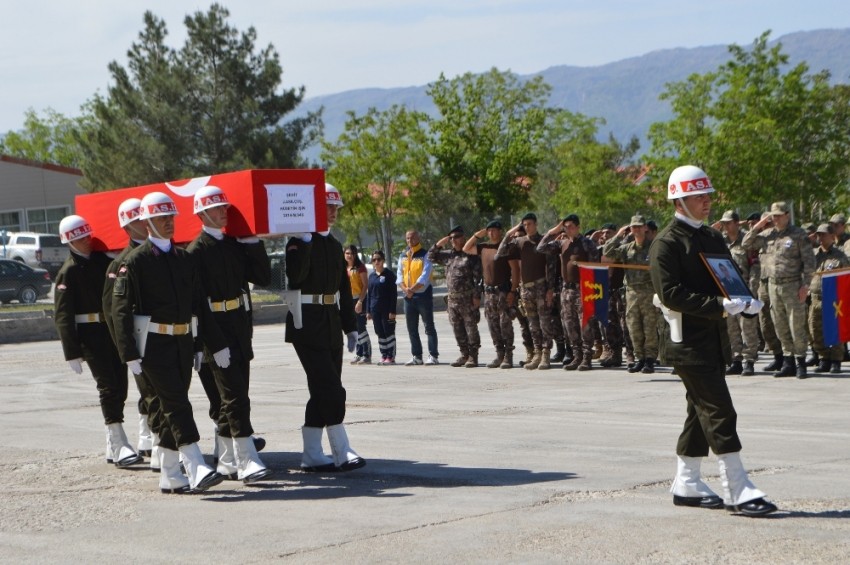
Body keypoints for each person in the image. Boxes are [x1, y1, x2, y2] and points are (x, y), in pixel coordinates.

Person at [650, 164, 776, 517]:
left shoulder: (711, 237)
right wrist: (719, 306)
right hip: (685, 342)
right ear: (679, 200)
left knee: (699, 411)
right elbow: (671, 293)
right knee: (720, 410)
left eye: (707, 195)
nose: (707, 202)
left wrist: (747, 302)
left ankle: (687, 482)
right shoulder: (666, 243)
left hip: (712, 339)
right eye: (698, 196)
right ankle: (738, 487)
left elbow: (728, 278)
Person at [112, 192, 225, 494]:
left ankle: (171, 474)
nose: (169, 222)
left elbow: (196, 304)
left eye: (171, 217)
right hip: (153, 346)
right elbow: (120, 309)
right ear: (147, 222)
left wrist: (199, 345)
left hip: (182, 342)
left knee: (166, 410)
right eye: (162, 218)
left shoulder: (184, 259)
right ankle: (196, 464)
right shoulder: (134, 262)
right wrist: (129, 353)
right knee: (177, 404)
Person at [186, 186, 272, 483]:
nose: (224, 211)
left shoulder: (234, 245)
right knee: (234, 397)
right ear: (201, 213)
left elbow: (262, 277)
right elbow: (196, 303)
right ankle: (247, 459)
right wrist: (213, 343)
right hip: (216, 333)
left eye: (224, 207)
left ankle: (225, 461)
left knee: (232, 398)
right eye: (217, 208)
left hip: (237, 327)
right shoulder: (195, 252)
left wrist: (252, 243)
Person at [285, 183, 365, 472]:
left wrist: (350, 326)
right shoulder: (298, 241)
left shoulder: (333, 245)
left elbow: (343, 289)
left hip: (330, 321)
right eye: (326, 206)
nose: (332, 212)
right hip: (306, 322)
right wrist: (304, 242)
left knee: (321, 390)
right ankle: (341, 450)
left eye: (335, 207)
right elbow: (295, 277)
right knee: (331, 388)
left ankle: (312, 454)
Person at [54, 214, 142, 469]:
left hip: (111, 331)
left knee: (121, 386)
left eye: (86, 235)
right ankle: (118, 440)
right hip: (90, 336)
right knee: (108, 387)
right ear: (68, 242)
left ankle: (112, 442)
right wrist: (71, 351)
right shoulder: (68, 271)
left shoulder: (104, 261)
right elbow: (63, 315)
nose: (85, 241)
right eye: (79, 238)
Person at [102, 198, 157, 467]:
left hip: (159, 333)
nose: (144, 224)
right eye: (138, 220)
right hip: (138, 336)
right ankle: (158, 445)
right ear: (127, 226)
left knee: (155, 390)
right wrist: (125, 349)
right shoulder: (121, 263)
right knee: (150, 389)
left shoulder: (156, 254)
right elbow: (112, 310)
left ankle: (147, 438)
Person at [742, 201, 815, 378]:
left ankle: (800, 362)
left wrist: (806, 285)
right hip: (773, 285)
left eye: (778, 215)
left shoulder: (798, 235)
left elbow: (809, 262)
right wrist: (758, 225)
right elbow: (746, 243)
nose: (775, 219)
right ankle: (788, 361)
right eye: (772, 216)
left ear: (787, 215)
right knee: (779, 324)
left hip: (793, 285)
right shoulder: (767, 235)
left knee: (796, 324)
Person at [536, 213, 600, 371]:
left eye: (572, 226)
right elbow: (540, 247)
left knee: (585, 324)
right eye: (566, 227)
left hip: (583, 288)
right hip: (566, 290)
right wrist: (555, 231)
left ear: (578, 227)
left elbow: (595, 267)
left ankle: (586, 357)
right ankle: (576, 355)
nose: (569, 229)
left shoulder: (587, 244)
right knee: (569, 325)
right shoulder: (561, 244)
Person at [496, 213, 556, 370]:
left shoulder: (543, 241)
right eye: (525, 224)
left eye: (530, 224)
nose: (527, 227)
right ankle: (536, 353)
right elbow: (500, 252)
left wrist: (550, 288)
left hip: (541, 286)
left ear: (536, 224)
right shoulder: (519, 242)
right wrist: (510, 232)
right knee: (533, 323)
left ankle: (546, 354)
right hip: (526, 288)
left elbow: (551, 267)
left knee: (544, 322)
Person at [603, 214, 658, 373]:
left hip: (648, 291)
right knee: (633, 327)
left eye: (640, 226)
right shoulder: (627, 248)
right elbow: (608, 252)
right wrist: (619, 235)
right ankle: (639, 358)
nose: (637, 230)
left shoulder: (653, 247)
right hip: (632, 292)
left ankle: (650, 360)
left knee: (649, 327)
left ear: (645, 228)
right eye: (634, 227)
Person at [463, 220, 519, 369]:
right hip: (489, 293)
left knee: (505, 324)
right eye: (489, 230)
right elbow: (466, 248)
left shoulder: (506, 248)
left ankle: (508, 355)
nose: (491, 233)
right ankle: (499, 354)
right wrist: (476, 235)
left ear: (500, 231)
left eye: (494, 230)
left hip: (503, 291)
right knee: (493, 325)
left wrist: (513, 290)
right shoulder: (483, 247)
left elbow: (515, 270)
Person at [428, 226, 483, 367]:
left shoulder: (470, 255)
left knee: (471, 328)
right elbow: (430, 256)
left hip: (467, 298)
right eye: (451, 238)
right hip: (452, 300)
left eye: (456, 237)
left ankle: (473, 356)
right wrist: (441, 242)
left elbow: (479, 278)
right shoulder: (448, 255)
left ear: (463, 237)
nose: (453, 240)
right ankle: (464, 354)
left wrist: (477, 296)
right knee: (457, 328)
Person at [714, 210, 759, 376]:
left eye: (728, 223)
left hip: (745, 288)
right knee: (731, 326)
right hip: (727, 289)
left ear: (736, 223)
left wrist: (753, 288)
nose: (725, 226)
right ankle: (736, 358)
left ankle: (749, 360)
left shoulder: (747, 240)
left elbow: (755, 265)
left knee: (747, 326)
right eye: (723, 223)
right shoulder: (721, 241)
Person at [809, 224, 849, 374]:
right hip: (815, 297)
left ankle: (836, 360)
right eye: (818, 235)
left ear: (832, 237)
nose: (820, 238)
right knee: (815, 330)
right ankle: (823, 358)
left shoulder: (840, 256)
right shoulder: (813, 255)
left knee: (835, 330)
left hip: (834, 298)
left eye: (824, 235)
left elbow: (845, 278)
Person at [397, 230, 439, 365]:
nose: (410, 240)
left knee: (429, 327)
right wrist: (405, 289)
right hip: (408, 297)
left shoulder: (425, 255)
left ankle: (433, 355)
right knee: (411, 328)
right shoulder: (403, 255)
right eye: (408, 238)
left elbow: (425, 277)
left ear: (418, 237)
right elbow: (399, 275)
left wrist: (412, 289)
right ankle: (417, 356)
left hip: (423, 296)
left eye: (413, 237)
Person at [366, 250, 398, 365]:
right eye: (374, 260)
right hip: (375, 309)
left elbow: (393, 294)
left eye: (378, 259)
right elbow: (369, 294)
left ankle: (391, 355)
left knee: (388, 331)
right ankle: (384, 354)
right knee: (379, 331)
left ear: (383, 260)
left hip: (387, 309)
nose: (376, 262)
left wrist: (392, 311)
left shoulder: (389, 275)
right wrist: (368, 310)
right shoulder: (372, 276)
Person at [345, 245, 373, 364]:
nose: (349, 256)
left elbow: (365, 286)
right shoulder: (344, 267)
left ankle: (367, 354)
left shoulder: (360, 267)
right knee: (354, 329)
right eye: (347, 253)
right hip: (348, 300)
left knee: (361, 328)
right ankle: (359, 353)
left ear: (355, 254)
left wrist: (360, 302)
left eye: (351, 253)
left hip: (359, 299)